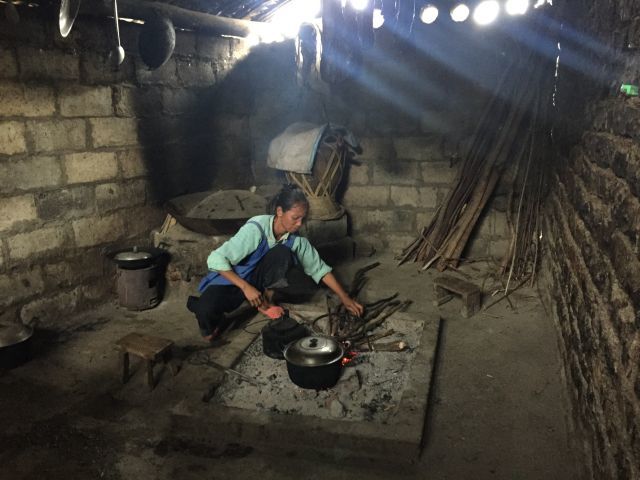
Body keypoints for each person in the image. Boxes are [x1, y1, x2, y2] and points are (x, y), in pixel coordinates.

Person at [187, 185, 363, 341]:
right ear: (279, 212)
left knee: (283, 252)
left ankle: (265, 302)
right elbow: (215, 259)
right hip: (232, 279)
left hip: (258, 280)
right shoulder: (256, 228)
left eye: (303, 219)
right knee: (206, 319)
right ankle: (208, 310)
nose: (299, 224)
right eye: (295, 218)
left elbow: (320, 270)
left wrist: (345, 298)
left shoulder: (296, 241)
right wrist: (246, 288)